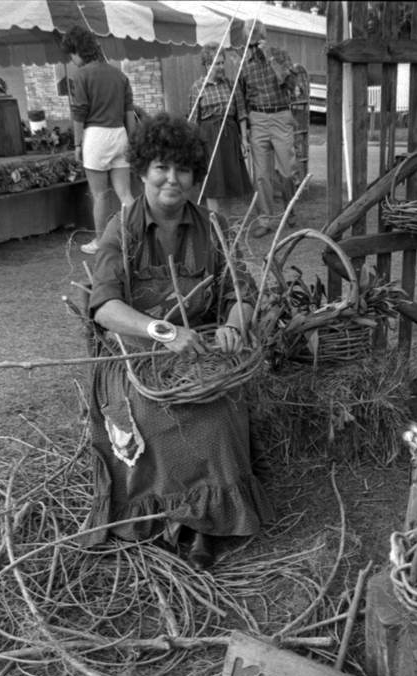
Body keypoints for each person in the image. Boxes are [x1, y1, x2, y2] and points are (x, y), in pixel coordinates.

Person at [83, 112, 272, 570]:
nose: (172, 178)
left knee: (219, 406)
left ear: (193, 175)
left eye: (183, 169)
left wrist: (232, 322)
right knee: (153, 410)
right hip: (133, 356)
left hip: (199, 349)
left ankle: (208, 522)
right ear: (144, 170)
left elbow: (243, 293)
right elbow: (104, 308)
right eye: (161, 167)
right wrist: (161, 331)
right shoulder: (122, 227)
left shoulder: (212, 225)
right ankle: (171, 519)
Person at [62, 25, 136, 255]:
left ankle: (100, 242)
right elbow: (129, 112)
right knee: (125, 193)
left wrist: (76, 144)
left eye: (70, 55)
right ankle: (138, 234)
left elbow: (79, 114)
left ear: (77, 51)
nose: (72, 60)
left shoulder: (80, 76)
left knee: (99, 195)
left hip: (95, 136)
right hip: (120, 134)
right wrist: (132, 141)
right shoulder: (119, 75)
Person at [238, 19, 300, 238]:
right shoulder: (244, 64)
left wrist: (271, 58)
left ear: (264, 35)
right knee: (262, 175)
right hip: (258, 118)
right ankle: (265, 219)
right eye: (251, 41)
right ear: (247, 39)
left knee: (287, 170)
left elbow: (292, 85)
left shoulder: (280, 55)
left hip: (281, 114)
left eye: (257, 38)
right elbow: (240, 98)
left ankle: (289, 210)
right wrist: (244, 129)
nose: (254, 44)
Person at [188, 43, 253, 220]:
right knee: (213, 184)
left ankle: (225, 221)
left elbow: (241, 113)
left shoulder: (231, 85)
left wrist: (244, 140)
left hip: (229, 137)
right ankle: (214, 222)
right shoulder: (197, 88)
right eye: (217, 64)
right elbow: (194, 120)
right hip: (208, 139)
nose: (221, 67)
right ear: (207, 65)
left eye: (222, 63)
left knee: (228, 183)